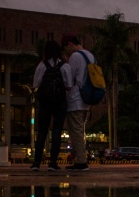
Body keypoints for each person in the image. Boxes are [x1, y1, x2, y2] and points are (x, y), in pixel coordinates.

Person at [31, 39, 71, 172]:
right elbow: (68, 85)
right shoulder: (64, 66)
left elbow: (35, 84)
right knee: (57, 131)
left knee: (42, 131)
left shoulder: (41, 65)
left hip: (45, 102)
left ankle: (36, 163)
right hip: (60, 102)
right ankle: (52, 163)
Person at [61, 33, 95, 171]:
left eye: (65, 48)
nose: (65, 52)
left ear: (70, 44)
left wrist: (66, 61)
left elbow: (70, 77)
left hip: (76, 99)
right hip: (87, 99)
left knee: (76, 132)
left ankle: (81, 162)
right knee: (79, 131)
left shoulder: (75, 56)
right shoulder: (90, 55)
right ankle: (79, 160)